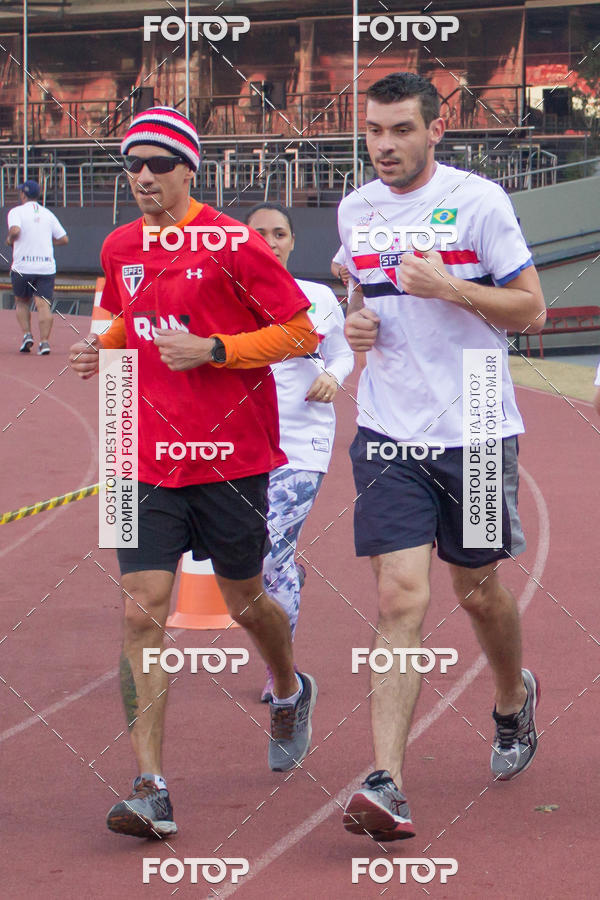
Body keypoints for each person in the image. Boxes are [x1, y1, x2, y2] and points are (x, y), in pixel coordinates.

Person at [68, 107, 319, 839]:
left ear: (188, 170)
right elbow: (122, 317)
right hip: (140, 457)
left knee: (245, 601)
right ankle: (150, 786)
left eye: (157, 163)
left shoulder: (235, 244)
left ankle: (288, 686)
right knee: (139, 610)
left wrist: (216, 350)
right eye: (132, 164)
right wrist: (100, 350)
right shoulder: (119, 245)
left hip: (230, 458)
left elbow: (301, 330)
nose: (142, 175)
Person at [337, 72, 547, 841]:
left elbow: (532, 309)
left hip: (479, 417)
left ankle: (511, 698)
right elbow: (361, 295)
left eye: (401, 130)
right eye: (374, 130)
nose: (385, 145)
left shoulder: (479, 202)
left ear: (435, 130)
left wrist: (450, 287)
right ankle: (386, 781)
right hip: (389, 427)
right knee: (400, 597)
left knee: (479, 590)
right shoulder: (355, 209)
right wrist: (357, 323)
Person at [245, 202, 354, 702]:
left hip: (300, 443)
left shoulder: (315, 297)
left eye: (279, 233)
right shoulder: (223, 296)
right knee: (242, 561)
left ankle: (280, 672)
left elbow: (343, 353)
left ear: (292, 241)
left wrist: (332, 376)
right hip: (239, 446)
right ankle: (290, 569)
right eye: (259, 233)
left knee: (269, 558)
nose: (270, 242)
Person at [6, 179, 68, 355]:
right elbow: (64, 238)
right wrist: (46, 242)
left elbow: (15, 230)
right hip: (45, 266)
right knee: (43, 305)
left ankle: (27, 334)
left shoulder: (16, 212)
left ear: (23, 194)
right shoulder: (48, 213)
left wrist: (10, 239)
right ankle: (45, 342)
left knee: (21, 302)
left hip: (23, 266)